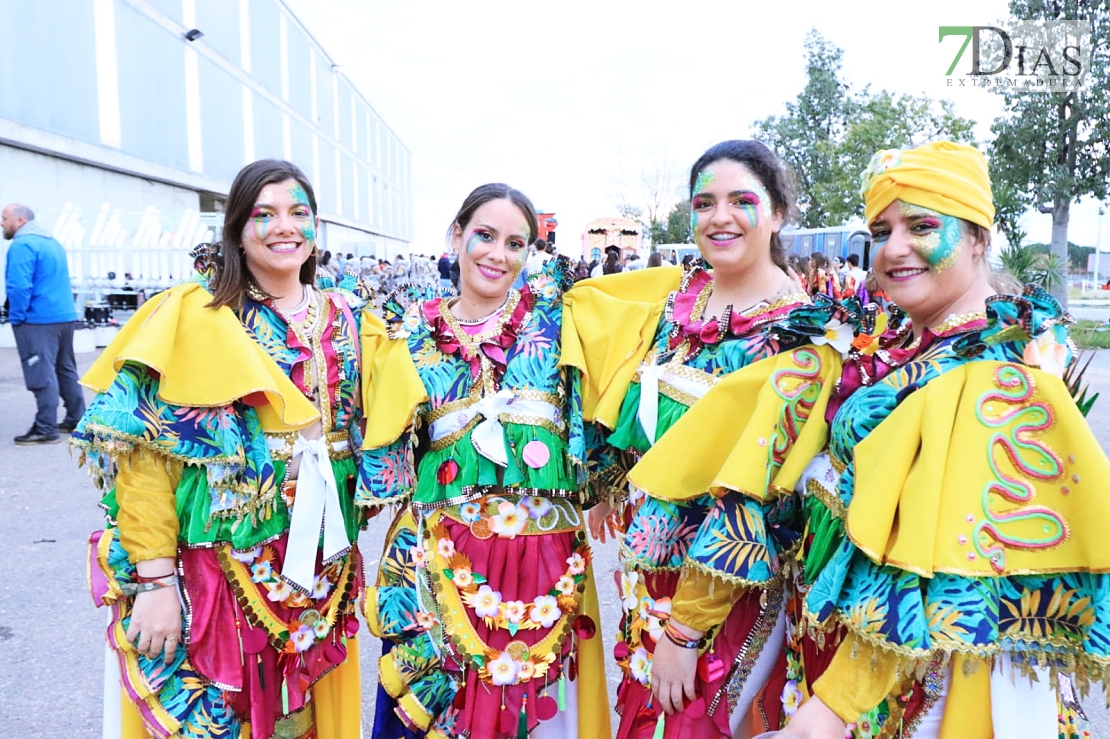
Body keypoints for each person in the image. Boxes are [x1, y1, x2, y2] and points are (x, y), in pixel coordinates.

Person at [781, 142, 1109, 739]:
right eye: (881, 230)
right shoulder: (927, 346)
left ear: (980, 237)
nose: (894, 248)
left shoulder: (992, 374)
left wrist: (826, 714)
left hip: (920, 688)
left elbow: (946, 571)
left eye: (923, 225)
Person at [76, 160, 372, 739]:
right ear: (236, 229)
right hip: (217, 569)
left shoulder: (355, 321)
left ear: (316, 229)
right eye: (264, 215)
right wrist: (156, 582)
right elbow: (144, 463)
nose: (284, 227)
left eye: (298, 213)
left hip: (320, 574)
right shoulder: (196, 316)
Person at [569, 140, 839, 739]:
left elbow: (762, 504)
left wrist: (684, 632)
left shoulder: (799, 338)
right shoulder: (675, 307)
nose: (720, 217)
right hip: (649, 585)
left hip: (722, 600)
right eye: (704, 202)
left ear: (778, 212)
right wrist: (608, 483)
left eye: (742, 200)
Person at [358, 183, 612, 739]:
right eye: (486, 236)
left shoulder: (561, 325)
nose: (498, 254)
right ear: (456, 235)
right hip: (440, 564)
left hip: (543, 566)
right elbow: (379, 449)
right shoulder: (406, 337)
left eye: (515, 243)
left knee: (535, 713)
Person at [3, 203, 85, 444]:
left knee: (40, 370)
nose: (1, 222)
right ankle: (76, 418)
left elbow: (19, 286)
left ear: (19, 221)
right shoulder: (52, 242)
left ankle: (45, 428)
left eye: (4, 217)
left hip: (38, 319)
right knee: (65, 368)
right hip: (64, 316)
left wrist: (16, 317)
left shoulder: (22, 244)